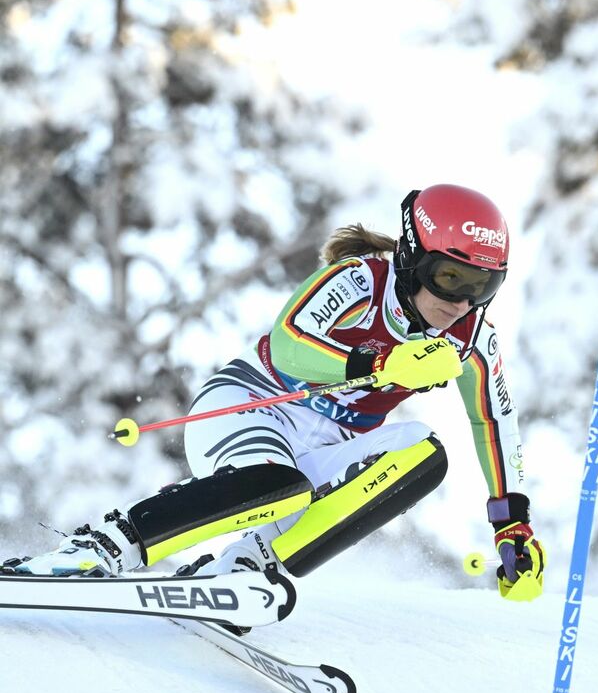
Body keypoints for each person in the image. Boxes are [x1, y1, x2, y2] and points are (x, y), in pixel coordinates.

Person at [6, 184, 545, 601]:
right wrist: (376, 361)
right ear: (413, 257)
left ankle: (248, 567)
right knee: (278, 486)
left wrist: (512, 524)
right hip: (253, 407)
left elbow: (495, 422)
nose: (461, 302)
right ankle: (102, 546)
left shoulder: (470, 335)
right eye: (451, 278)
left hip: (327, 448)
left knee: (424, 453)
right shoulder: (360, 281)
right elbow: (290, 344)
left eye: (483, 287)